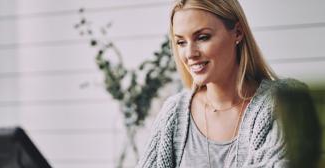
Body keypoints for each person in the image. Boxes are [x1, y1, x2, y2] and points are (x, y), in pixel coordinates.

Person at [136, 0, 322, 167]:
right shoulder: (174, 112)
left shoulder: (281, 103)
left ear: (238, 33)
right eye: (181, 42)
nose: (190, 53)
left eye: (202, 37)